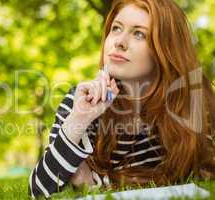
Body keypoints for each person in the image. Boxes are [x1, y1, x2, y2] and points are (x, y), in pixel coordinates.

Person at [28, 0, 215, 198]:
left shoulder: (191, 102)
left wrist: (94, 181)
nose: (119, 42)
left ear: (166, 49)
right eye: (116, 28)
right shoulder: (81, 100)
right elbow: (38, 191)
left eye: (139, 34)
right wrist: (79, 120)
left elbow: (194, 171)